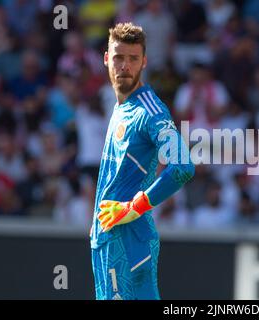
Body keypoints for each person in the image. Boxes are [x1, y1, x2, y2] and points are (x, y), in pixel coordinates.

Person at [90, 23, 195, 300]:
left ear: (144, 62)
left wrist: (135, 208)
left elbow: (183, 165)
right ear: (106, 59)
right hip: (109, 238)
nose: (125, 65)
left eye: (133, 58)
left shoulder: (150, 110)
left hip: (129, 240)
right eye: (118, 57)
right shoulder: (122, 106)